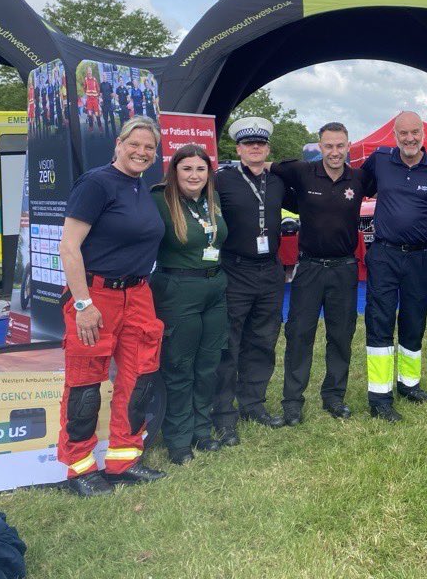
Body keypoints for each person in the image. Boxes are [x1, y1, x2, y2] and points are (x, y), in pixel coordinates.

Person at [56, 116, 166, 497]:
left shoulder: (140, 187)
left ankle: (123, 460)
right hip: (96, 295)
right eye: (134, 144)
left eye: (149, 147)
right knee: (86, 385)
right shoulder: (96, 183)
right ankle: (80, 467)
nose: (141, 152)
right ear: (118, 144)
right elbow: (68, 247)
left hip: (138, 294)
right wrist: (83, 303)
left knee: (138, 379)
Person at [270, 122, 367, 425]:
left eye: (340, 146)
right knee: (299, 335)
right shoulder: (302, 171)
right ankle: (292, 403)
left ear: (348, 145)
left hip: (344, 268)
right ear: (319, 146)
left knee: (341, 336)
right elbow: (267, 165)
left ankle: (334, 397)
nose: (335, 152)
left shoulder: (361, 177)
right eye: (329, 146)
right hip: (309, 267)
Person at [361, 111, 427, 422]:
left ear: (423, 133)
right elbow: (358, 188)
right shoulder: (380, 160)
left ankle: (409, 385)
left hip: (421, 257)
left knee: (414, 320)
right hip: (384, 254)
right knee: (380, 320)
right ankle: (380, 396)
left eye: (415, 132)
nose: (409, 138)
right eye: (403, 133)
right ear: (394, 135)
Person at [212, 117, 290, 444]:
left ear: (267, 148)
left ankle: (252, 403)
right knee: (229, 343)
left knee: (263, 339)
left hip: (270, 271)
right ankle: (223, 413)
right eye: (248, 144)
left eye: (260, 143)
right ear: (239, 149)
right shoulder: (221, 181)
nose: (255, 148)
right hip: (235, 269)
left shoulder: (277, 182)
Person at [150, 144, 229, 464]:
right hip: (178, 289)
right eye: (187, 169)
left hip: (215, 287)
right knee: (180, 367)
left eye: (200, 169)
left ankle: (201, 429)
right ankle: (179, 440)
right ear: (175, 171)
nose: (194, 175)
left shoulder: (213, 199)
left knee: (208, 365)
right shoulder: (159, 200)